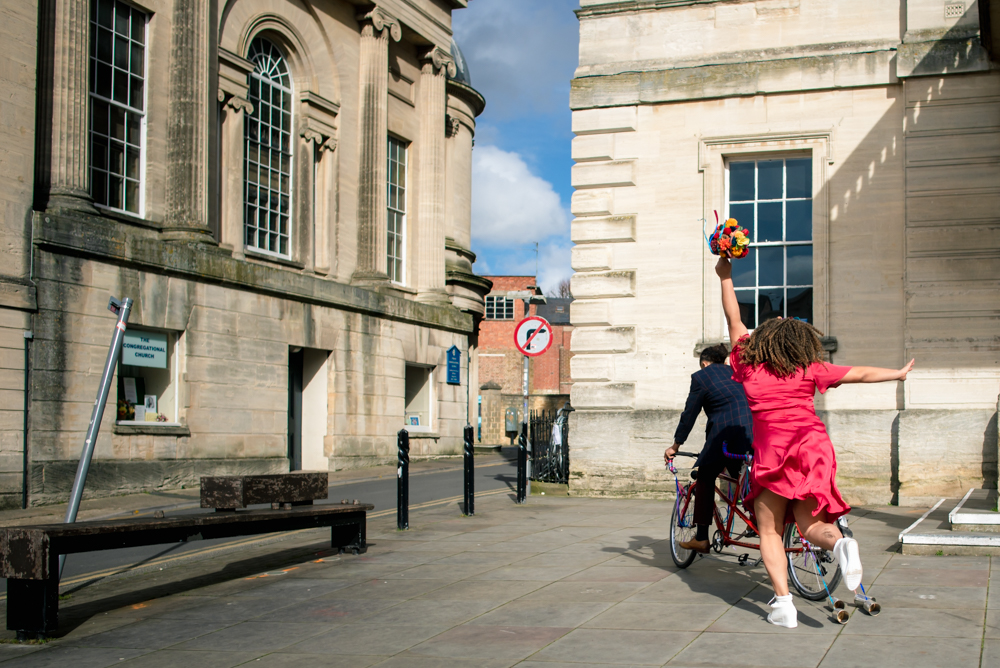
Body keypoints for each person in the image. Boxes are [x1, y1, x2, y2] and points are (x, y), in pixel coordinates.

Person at [715, 256, 914, 628]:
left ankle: (784, 606)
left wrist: (725, 276)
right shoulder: (811, 368)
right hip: (812, 445)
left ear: (762, 342)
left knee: (770, 530)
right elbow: (861, 373)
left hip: (774, 451)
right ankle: (840, 544)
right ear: (800, 345)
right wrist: (898, 375)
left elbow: (734, 319)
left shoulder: (749, 364)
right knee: (811, 527)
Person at [664, 343, 753, 554]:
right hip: (751, 434)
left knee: (704, 476)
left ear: (704, 363)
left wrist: (675, 445)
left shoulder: (701, 377)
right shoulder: (736, 373)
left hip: (725, 436)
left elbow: (689, 414)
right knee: (742, 474)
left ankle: (702, 538)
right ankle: (757, 519)